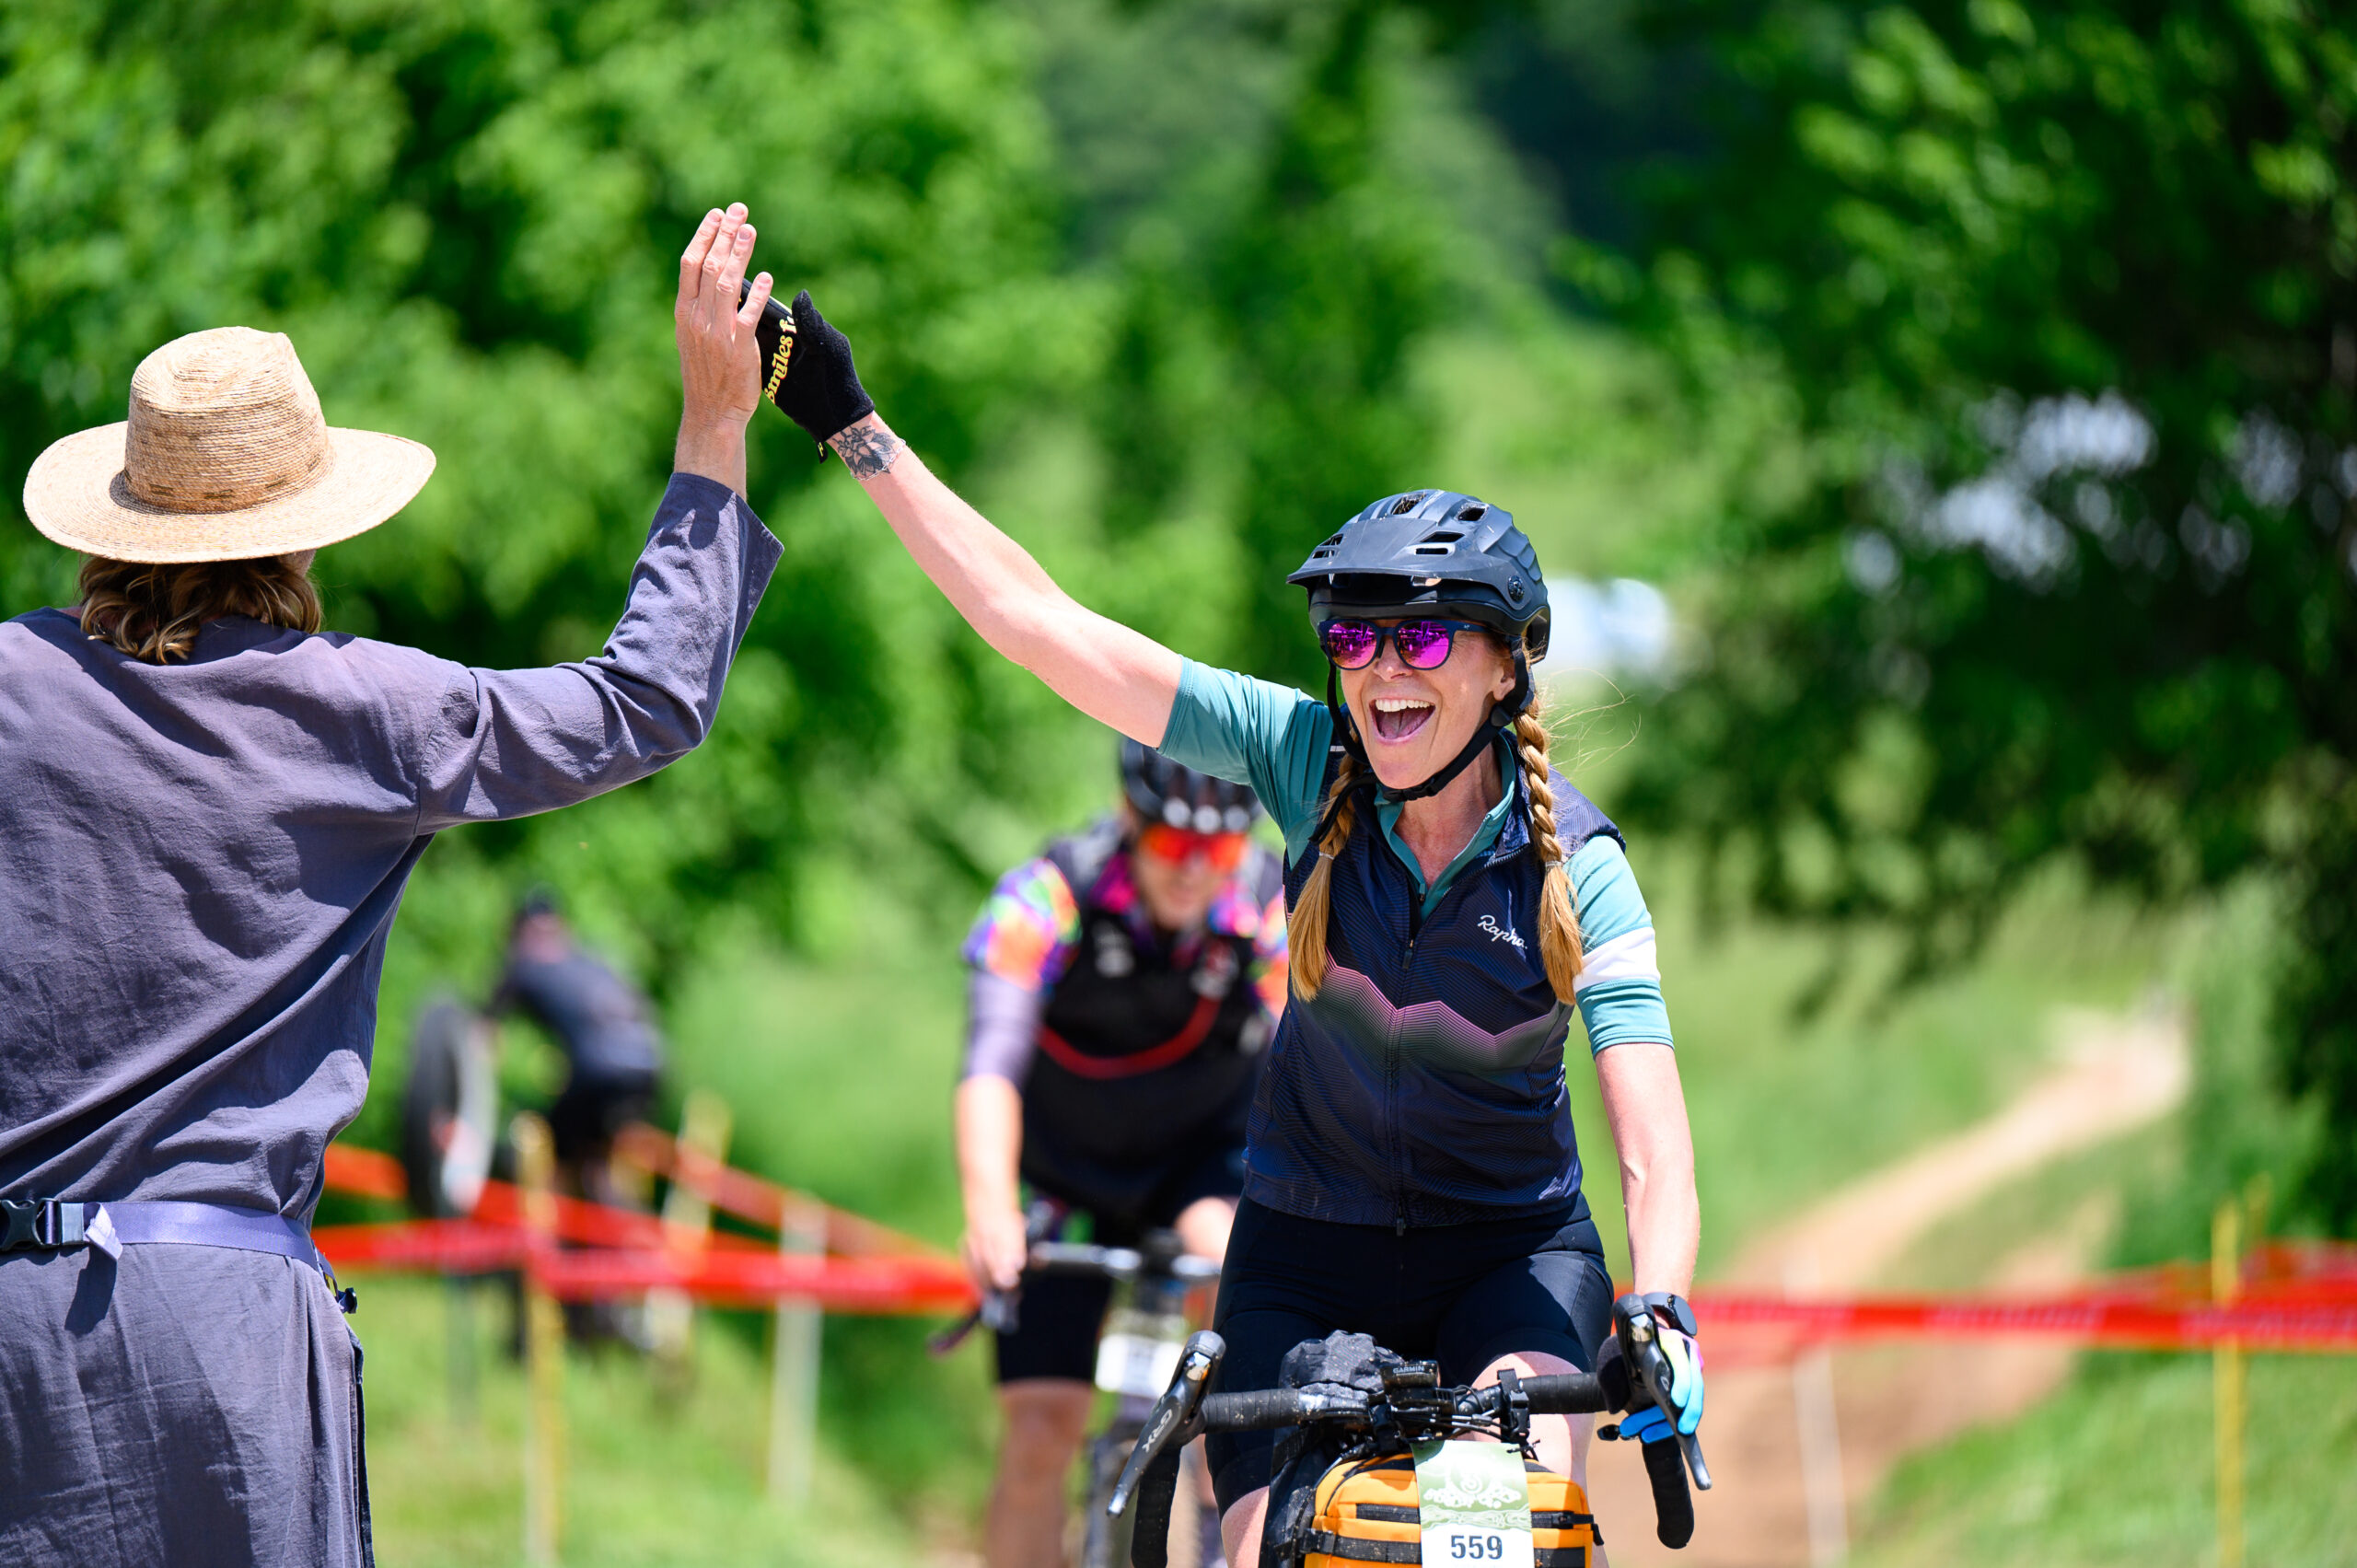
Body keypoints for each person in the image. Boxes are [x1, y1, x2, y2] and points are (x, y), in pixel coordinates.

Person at [750, 296, 1705, 1568]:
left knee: (1501, 1521)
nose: (1379, 667)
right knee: (1256, 1552)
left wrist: (1659, 1304)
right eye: (1353, 635)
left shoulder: (1574, 867)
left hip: (1513, 1256)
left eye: (1420, 632)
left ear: (1503, 666)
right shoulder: (1306, 765)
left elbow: (1651, 1145)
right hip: (1304, 1252)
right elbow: (1046, 627)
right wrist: (851, 423)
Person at [0, 203, 781, 1565]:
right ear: (304, 533)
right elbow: (646, 697)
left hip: (15, 1326)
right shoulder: (369, 710)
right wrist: (715, 429)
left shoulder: (15, 684)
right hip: (234, 1331)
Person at [958, 740, 1283, 1568]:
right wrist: (989, 1206)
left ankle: (1224, 1534)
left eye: (1216, 850)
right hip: (1068, 1177)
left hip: (1200, 1171)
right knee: (1039, 1433)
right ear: (1131, 822)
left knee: (1236, 1318)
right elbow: (991, 1064)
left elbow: (1315, 1063)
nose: (1192, 870)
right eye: (1172, 844)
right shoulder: (1048, 894)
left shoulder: (1271, 903)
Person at [493, 889, 667, 1213]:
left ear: (520, 929)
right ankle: (622, 1235)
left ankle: (553, 1242)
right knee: (597, 1157)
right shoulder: (592, 960)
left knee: (556, 1146)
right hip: (649, 1065)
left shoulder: (525, 962)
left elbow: (482, 1035)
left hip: (598, 1069)